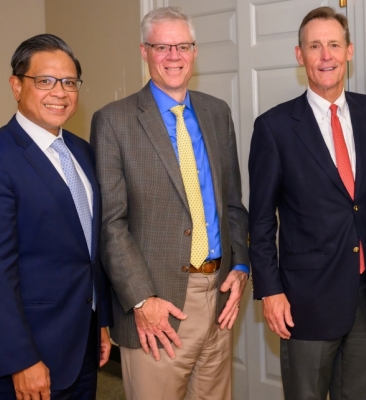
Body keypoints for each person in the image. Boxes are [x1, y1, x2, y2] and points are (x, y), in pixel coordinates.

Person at [90, 6, 249, 400]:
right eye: (162, 46)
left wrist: (242, 264)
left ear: (195, 52)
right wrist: (142, 299)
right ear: (144, 51)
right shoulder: (114, 120)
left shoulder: (216, 112)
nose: (173, 56)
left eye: (182, 46)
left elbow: (232, 204)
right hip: (158, 309)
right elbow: (111, 223)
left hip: (218, 298)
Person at [0, 34, 112, 400]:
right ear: (16, 85)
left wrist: (99, 322)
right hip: (26, 362)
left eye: (69, 82)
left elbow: (87, 250)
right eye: (45, 81)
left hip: (81, 349)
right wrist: (20, 361)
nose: (60, 92)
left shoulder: (81, 151)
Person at [248, 7, 366, 400]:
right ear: (300, 55)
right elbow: (260, 220)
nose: (325, 55)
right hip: (304, 298)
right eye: (315, 46)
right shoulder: (274, 128)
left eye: (333, 45)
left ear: (349, 51)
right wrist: (270, 290)